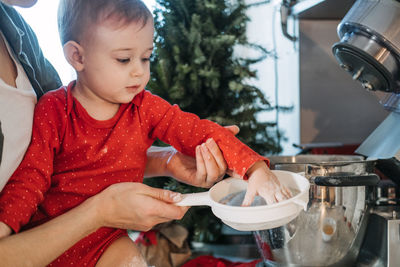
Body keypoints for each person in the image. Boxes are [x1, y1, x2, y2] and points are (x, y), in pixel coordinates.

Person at [0, 0, 291, 265]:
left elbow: (200, 131)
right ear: (77, 56)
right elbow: (31, 179)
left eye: (146, 57)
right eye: (124, 60)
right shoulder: (54, 109)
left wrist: (254, 169)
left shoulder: (145, 106)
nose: (139, 72)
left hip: (107, 243)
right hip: (48, 242)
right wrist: (5, 225)